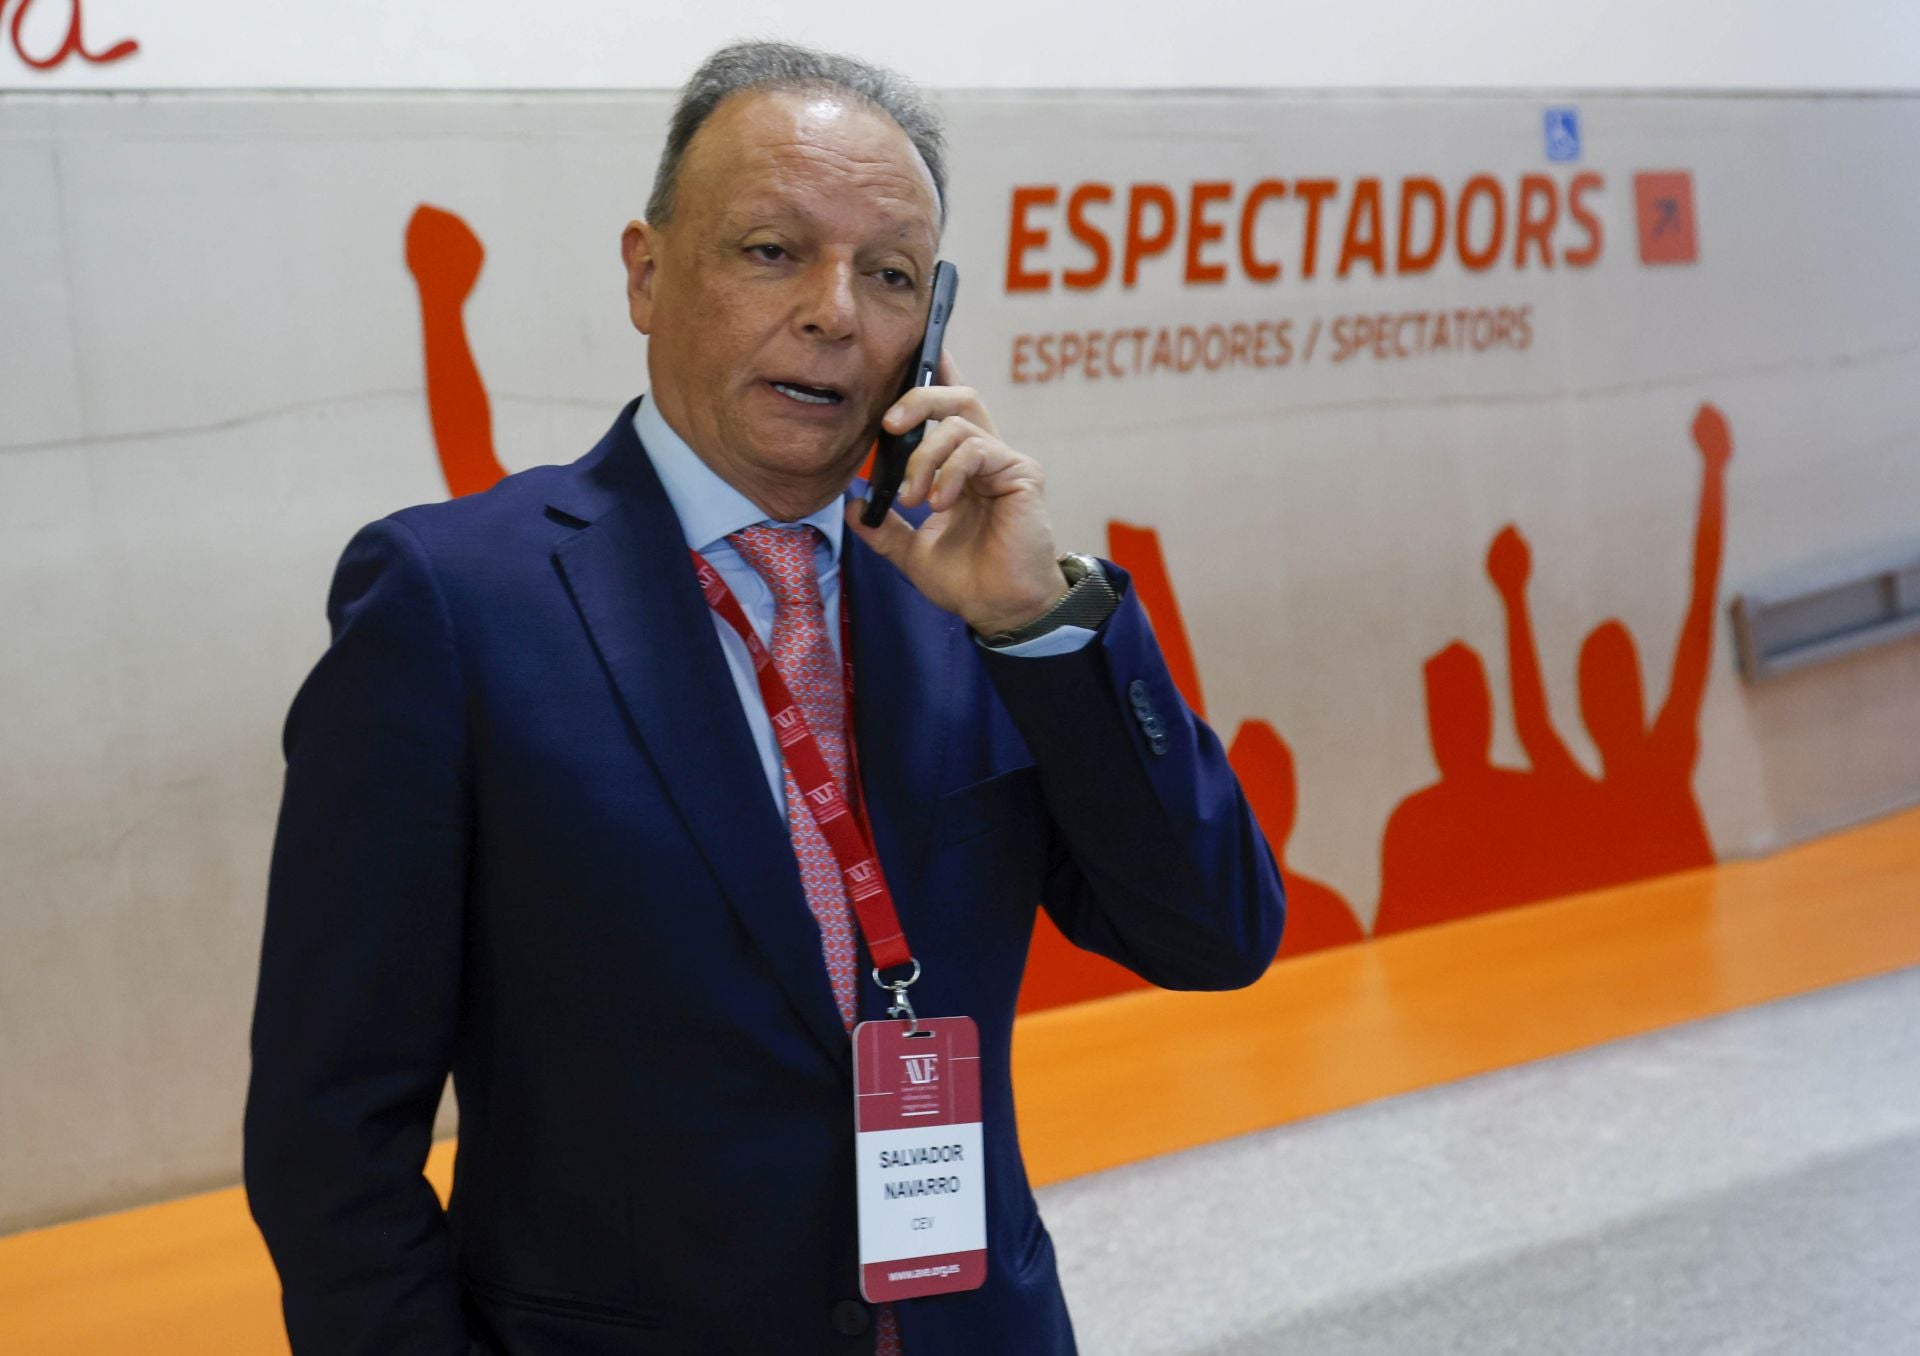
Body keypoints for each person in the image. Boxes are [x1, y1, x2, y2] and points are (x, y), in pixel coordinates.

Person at [243, 40, 1285, 1356]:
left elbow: (1215, 936)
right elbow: (328, 1138)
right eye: (772, 251)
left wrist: (1037, 623)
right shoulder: (451, 605)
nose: (837, 312)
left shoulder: (975, 593)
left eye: (891, 276)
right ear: (647, 271)